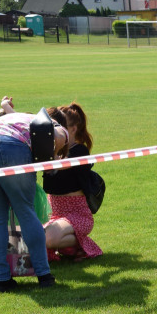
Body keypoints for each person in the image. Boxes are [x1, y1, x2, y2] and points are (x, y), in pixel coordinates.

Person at [0, 106, 70, 291]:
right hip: (12, 147)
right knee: (25, 211)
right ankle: (44, 275)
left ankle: (1, 280)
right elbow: (57, 138)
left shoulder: (22, 117)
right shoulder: (57, 126)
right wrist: (55, 156)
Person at [43, 104, 102, 262]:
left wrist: (53, 153)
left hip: (77, 214)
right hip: (53, 214)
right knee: (30, 236)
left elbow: (62, 165)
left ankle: (79, 244)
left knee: (46, 238)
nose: (54, 131)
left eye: (59, 126)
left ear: (73, 129)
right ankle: (69, 248)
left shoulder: (80, 152)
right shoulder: (50, 151)